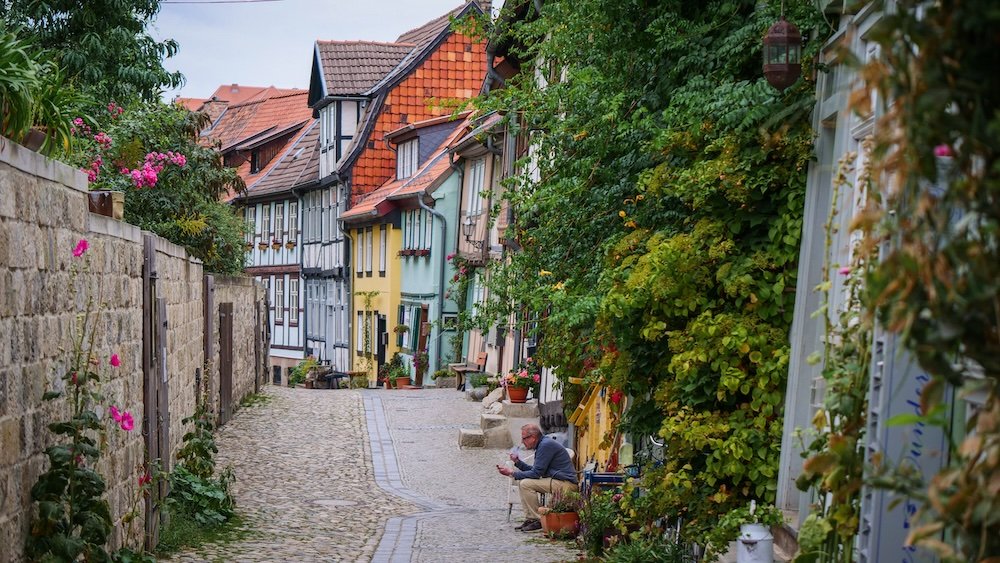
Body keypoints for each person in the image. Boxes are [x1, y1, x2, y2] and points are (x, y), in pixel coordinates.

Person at [496, 423, 577, 533]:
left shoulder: (545, 445)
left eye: (524, 438)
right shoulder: (543, 444)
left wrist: (512, 473)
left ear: (533, 437)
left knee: (525, 484)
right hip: (558, 480)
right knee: (524, 483)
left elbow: (536, 473)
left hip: (565, 483)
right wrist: (518, 462)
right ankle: (530, 519)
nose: (522, 442)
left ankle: (537, 519)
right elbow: (536, 470)